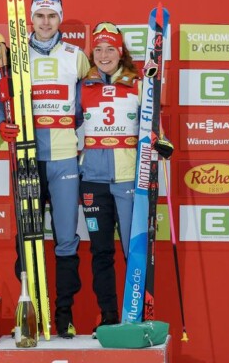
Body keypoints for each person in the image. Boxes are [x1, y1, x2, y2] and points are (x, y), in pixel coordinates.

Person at [0, 0, 90, 337]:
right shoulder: (15, 55)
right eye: (39, 16)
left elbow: (87, 102)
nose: (45, 22)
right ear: (29, 20)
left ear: (60, 19)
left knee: (65, 238)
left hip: (64, 157)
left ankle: (63, 314)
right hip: (28, 156)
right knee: (28, 236)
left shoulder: (75, 57)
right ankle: (29, 309)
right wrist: (2, 124)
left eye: (51, 16)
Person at [77, 22, 140, 331]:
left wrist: (161, 140)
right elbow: (64, 120)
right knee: (101, 250)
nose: (104, 55)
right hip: (92, 180)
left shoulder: (139, 84)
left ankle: (135, 312)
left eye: (110, 49)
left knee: (132, 248)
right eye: (98, 49)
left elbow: (153, 126)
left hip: (128, 179)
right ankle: (109, 316)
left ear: (121, 52)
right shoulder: (83, 86)